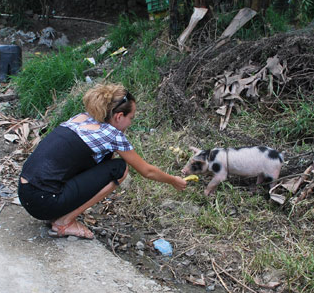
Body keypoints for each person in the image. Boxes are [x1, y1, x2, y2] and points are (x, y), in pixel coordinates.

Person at [18, 83, 187, 239]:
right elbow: (147, 171)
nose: (130, 123)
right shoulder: (112, 135)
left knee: (105, 158)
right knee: (119, 169)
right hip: (43, 201)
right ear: (119, 116)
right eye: (131, 118)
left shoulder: (82, 118)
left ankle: (58, 212)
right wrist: (174, 181)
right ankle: (64, 222)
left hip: (26, 192)